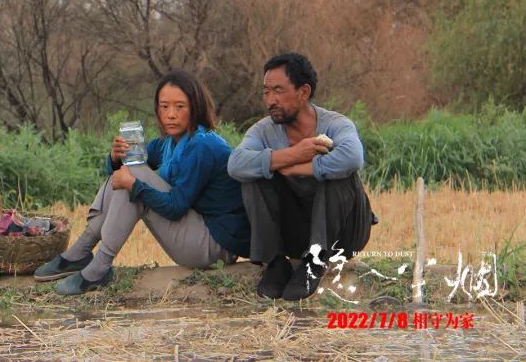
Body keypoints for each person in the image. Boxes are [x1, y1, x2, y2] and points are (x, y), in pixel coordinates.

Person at [34, 70, 250, 295]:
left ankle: (97, 266)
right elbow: (122, 170)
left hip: (214, 246)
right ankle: (82, 251)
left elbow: (176, 208)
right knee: (129, 169)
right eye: (164, 107)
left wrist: (134, 185)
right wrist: (116, 157)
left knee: (133, 176)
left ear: (195, 107)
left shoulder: (202, 145)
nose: (171, 115)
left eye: (180, 106)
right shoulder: (168, 143)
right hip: (196, 232)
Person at [227, 53, 375, 301]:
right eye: (265, 92)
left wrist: (298, 167)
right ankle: (275, 263)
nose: (270, 100)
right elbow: (236, 164)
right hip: (295, 232)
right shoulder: (263, 130)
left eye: (278, 91)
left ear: (303, 92)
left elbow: (352, 158)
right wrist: (294, 153)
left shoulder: (336, 124)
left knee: (339, 174)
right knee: (254, 175)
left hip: (344, 234)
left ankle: (316, 261)